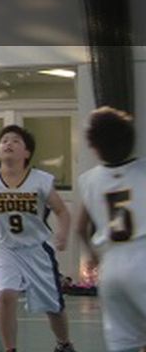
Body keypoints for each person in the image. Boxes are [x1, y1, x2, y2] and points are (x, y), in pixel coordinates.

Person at [0, 125, 76, 352]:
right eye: (4, 141)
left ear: (27, 152)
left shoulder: (40, 180)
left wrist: (62, 234)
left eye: (15, 141)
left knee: (53, 305)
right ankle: (10, 348)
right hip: (4, 248)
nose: (8, 144)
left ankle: (64, 344)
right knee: (5, 296)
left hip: (36, 248)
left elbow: (62, 211)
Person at [76, 106, 145, 352]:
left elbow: (80, 228)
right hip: (142, 258)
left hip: (111, 269)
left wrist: (90, 255)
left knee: (124, 343)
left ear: (94, 147)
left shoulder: (89, 180)